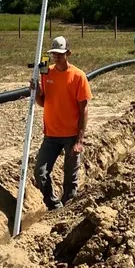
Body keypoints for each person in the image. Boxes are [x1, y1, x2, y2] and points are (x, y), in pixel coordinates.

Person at [32, 35, 92, 210]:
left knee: (70, 177)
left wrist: (79, 141)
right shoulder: (46, 72)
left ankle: (69, 208)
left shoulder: (78, 76)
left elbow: (84, 110)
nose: (56, 57)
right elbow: (43, 102)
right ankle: (54, 205)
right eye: (54, 54)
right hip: (51, 134)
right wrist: (35, 91)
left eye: (60, 53)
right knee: (40, 172)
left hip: (71, 135)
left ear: (68, 53)